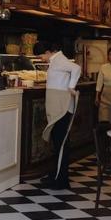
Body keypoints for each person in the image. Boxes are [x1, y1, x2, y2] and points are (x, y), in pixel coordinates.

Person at [34, 40, 80, 190]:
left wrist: (72, 86)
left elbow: (76, 68)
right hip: (57, 105)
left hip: (61, 106)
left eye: (41, 55)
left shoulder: (59, 60)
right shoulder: (56, 60)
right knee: (58, 143)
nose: (40, 58)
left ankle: (61, 180)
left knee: (61, 144)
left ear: (48, 52)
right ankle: (57, 175)